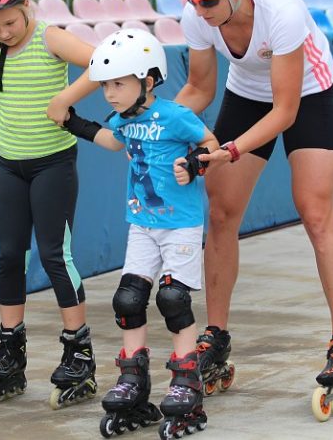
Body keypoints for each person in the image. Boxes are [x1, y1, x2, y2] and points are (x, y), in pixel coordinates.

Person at [173, 0, 333, 403]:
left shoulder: (281, 9)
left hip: (307, 92)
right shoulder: (197, 15)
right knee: (220, 212)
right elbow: (200, 90)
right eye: (193, 1)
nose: (199, 11)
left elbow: (284, 111)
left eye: (209, 1)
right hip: (247, 91)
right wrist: (155, 124)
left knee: (315, 212)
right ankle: (214, 338)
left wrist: (231, 149)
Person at [61, 28, 218, 437]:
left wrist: (195, 163)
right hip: (142, 226)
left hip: (180, 223)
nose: (109, 93)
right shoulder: (123, 120)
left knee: (172, 298)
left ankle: (187, 384)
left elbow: (211, 143)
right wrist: (73, 121)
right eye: (106, 85)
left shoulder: (175, 115)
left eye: (118, 83)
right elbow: (112, 142)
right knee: (128, 299)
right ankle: (134, 380)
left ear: (147, 82)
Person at [0, 0, 100, 410]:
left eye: (8, 22)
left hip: (52, 165)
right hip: (7, 164)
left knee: (54, 255)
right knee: (9, 255)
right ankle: (10, 351)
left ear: (27, 6)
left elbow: (101, 63)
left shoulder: (50, 38)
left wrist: (66, 97)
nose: (2, 32)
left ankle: (78, 352)